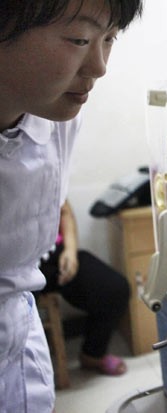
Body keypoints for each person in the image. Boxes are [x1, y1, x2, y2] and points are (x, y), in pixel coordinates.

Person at [0, 1, 143, 411]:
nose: (99, 67)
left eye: (110, 38)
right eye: (80, 39)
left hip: (18, 345)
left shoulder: (59, 120)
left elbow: (56, 204)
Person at [38, 200, 130, 376]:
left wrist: (70, 251)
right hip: (13, 266)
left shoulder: (48, 172)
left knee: (115, 289)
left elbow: (64, 209)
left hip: (50, 254)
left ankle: (93, 355)